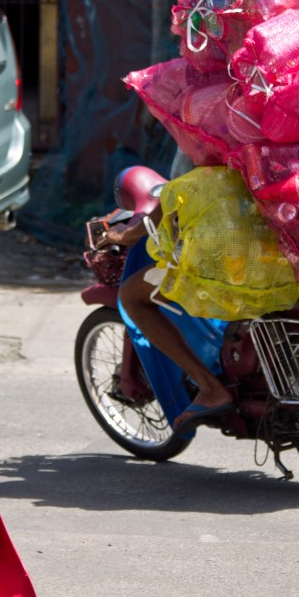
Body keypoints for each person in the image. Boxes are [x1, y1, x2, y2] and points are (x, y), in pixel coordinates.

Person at [102, 156, 234, 435]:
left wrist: (127, 234)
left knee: (132, 296)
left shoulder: (199, 134)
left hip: (222, 253)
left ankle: (210, 388)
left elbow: (176, 197)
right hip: (282, 243)